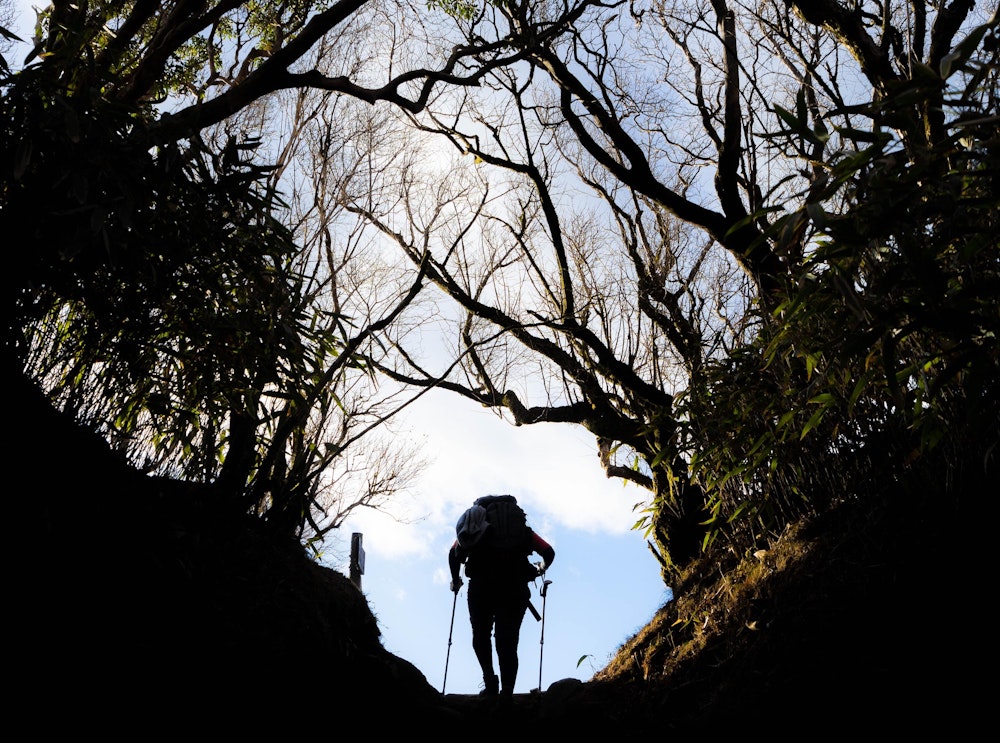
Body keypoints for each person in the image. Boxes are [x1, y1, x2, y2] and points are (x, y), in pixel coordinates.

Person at [448, 497, 555, 700]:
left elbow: (454, 554)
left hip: (481, 587)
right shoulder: (522, 530)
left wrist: (456, 580)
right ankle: (507, 692)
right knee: (507, 641)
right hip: (515, 589)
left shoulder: (475, 524)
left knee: (480, 634)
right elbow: (548, 552)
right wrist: (540, 569)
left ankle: (490, 682)